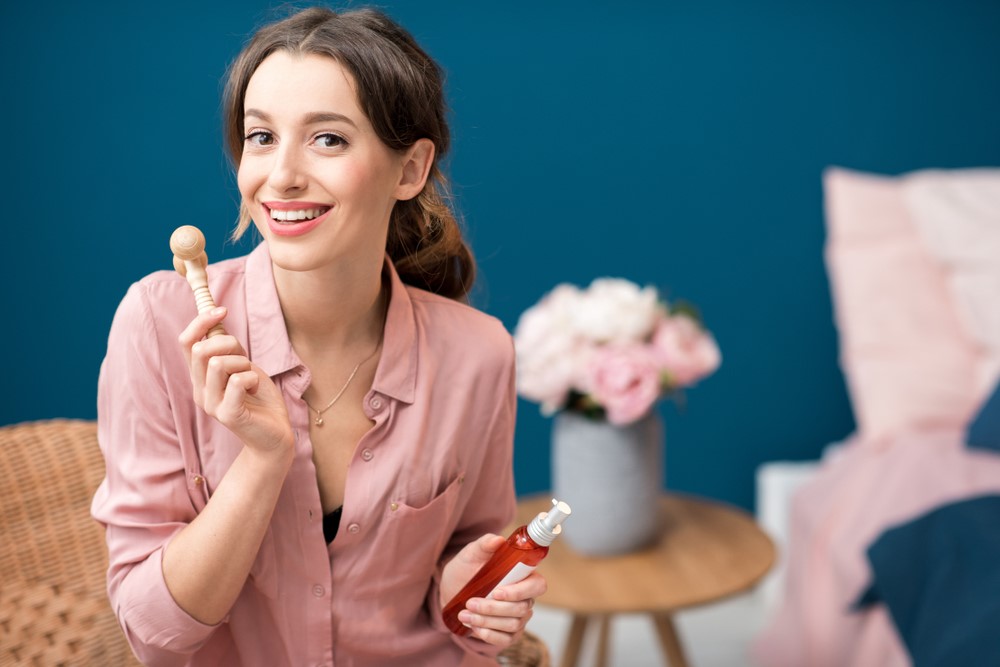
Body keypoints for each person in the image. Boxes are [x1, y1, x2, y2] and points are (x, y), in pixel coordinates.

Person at [91, 6, 544, 666]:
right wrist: (262, 461)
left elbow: (464, 564)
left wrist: (468, 589)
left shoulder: (479, 352)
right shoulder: (159, 327)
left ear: (410, 169)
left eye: (327, 139)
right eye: (261, 137)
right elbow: (154, 632)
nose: (281, 176)